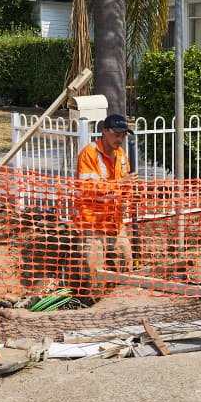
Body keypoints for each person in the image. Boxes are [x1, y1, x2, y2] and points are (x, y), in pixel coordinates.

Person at [73, 114, 136, 293]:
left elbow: (125, 183)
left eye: (123, 135)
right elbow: (87, 188)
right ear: (105, 132)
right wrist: (119, 184)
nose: (120, 139)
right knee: (93, 268)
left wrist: (129, 193)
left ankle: (122, 297)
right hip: (92, 222)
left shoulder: (121, 155)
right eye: (117, 135)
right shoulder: (89, 154)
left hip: (114, 221)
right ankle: (91, 296)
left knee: (125, 259)